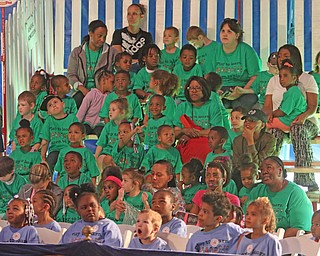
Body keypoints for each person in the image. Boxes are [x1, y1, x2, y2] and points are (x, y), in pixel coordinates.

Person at [263, 44, 319, 191]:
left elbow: (312, 106)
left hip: (305, 122)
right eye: (279, 56)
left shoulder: (307, 79)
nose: (280, 59)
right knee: (273, 134)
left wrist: (303, 116)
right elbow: (267, 106)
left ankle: (306, 179)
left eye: (285, 56)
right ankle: (271, 178)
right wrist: (269, 115)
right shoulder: (274, 80)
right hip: (281, 123)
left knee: (297, 129)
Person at [245, 156, 313, 238]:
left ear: (280, 171)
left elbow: (299, 229)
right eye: (262, 169)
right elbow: (245, 220)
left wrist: (271, 240)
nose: (264, 172)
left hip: (288, 245)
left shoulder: (295, 193)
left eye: (268, 168)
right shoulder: (257, 191)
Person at [206, 18, 261, 109]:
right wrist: (216, 91)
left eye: (229, 31)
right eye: (223, 31)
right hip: (221, 89)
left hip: (242, 88)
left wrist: (242, 91)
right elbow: (208, 76)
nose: (225, 34)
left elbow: (255, 77)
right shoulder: (213, 52)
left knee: (246, 102)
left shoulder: (247, 51)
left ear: (237, 35)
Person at [174, 76, 229, 164]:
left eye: (197, 88)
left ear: (205, 89)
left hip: (207, 143)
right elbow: (175, 132)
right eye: (191, 88)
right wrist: (184, 131)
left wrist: (194, 133)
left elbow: (217, 131)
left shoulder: (213, 105)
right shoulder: (182, 107)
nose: (193, 91)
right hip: (188, 144)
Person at [67, 20, 118, 107]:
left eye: (104, 37)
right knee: (77, 101)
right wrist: (82, 89)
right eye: (99, 36)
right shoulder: (77, 52)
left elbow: (117, 73)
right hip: (82, 91)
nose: (102, 40)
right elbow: (71, 75)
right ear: (91, 34)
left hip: (104, 92)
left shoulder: (111, 52)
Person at [232, 109, 276, 189]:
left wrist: (250, 141)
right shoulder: (237, 140)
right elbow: (236, 165)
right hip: (242, 177)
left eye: (252, 121)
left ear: (262, 125)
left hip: (261, 176)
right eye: (246, 121)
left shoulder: (269, 140)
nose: (247, 123)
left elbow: (260, 165)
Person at [39, 95, 78, 171]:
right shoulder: (49, 121)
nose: (53, 105)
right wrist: (43, 158)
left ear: (63, 104)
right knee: (50, 161)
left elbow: (78, 136)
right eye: (50, 105)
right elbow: (45, 141)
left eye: (55, 102)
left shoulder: (72, 118)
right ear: (48, 112)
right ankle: (50, 181)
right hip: (55, 150)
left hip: (70, 148)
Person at [266, 59, 306, 132]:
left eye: (285, 76)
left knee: (263, 124)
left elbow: (283, 112)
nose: (282, 79)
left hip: (287, 122)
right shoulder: (293, 91)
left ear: (294, 78)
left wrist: (272, 114)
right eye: (280, 76)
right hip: (288, 121)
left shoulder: (293, 92)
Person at [111, 3, 153, 72]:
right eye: (129, 14)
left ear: (141, 16)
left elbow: (148, 57)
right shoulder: (118, 33)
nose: (131, 17)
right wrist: (134, 62)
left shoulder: (147, 36)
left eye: (134, 14)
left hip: (140, 71)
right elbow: (118, 56)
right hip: (123, 71)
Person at [76, 70, 115, 137]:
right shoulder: (91, 94)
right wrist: (76, 124)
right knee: (83, 132)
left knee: (101, 133)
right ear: (104, 81)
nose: (114, 85)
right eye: (112, 82)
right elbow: (82, 111)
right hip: (87, 122)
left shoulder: (110, 97)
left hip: (100, 123)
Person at [95, 98, 130, 169]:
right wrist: (96, 156)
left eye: (113, 110)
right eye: (109, 110)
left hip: (122, 154)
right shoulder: (108, 126)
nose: (110, 112)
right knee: (104, 159)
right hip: (107, 152)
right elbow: (101, 144)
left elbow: (134, 144)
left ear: (122, 112)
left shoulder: (129, 126)